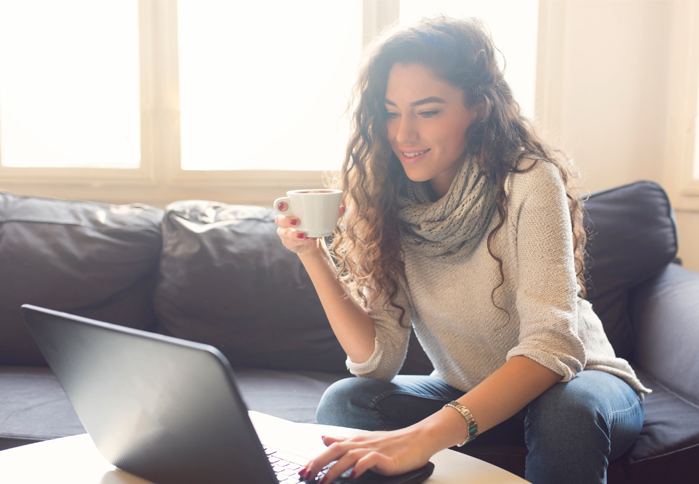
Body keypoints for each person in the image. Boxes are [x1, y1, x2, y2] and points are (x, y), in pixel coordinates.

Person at [274, 16, 650, 484]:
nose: (403, 135)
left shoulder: (529, 180)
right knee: (346, 400)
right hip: (472, 391)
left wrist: (424, 435)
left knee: (565, 409)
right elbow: (377, 360)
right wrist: (312, 254)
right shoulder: (386, 196)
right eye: (392, 112)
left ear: (478, 107)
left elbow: (552, 346)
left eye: (427, 111)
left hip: (578, 383)